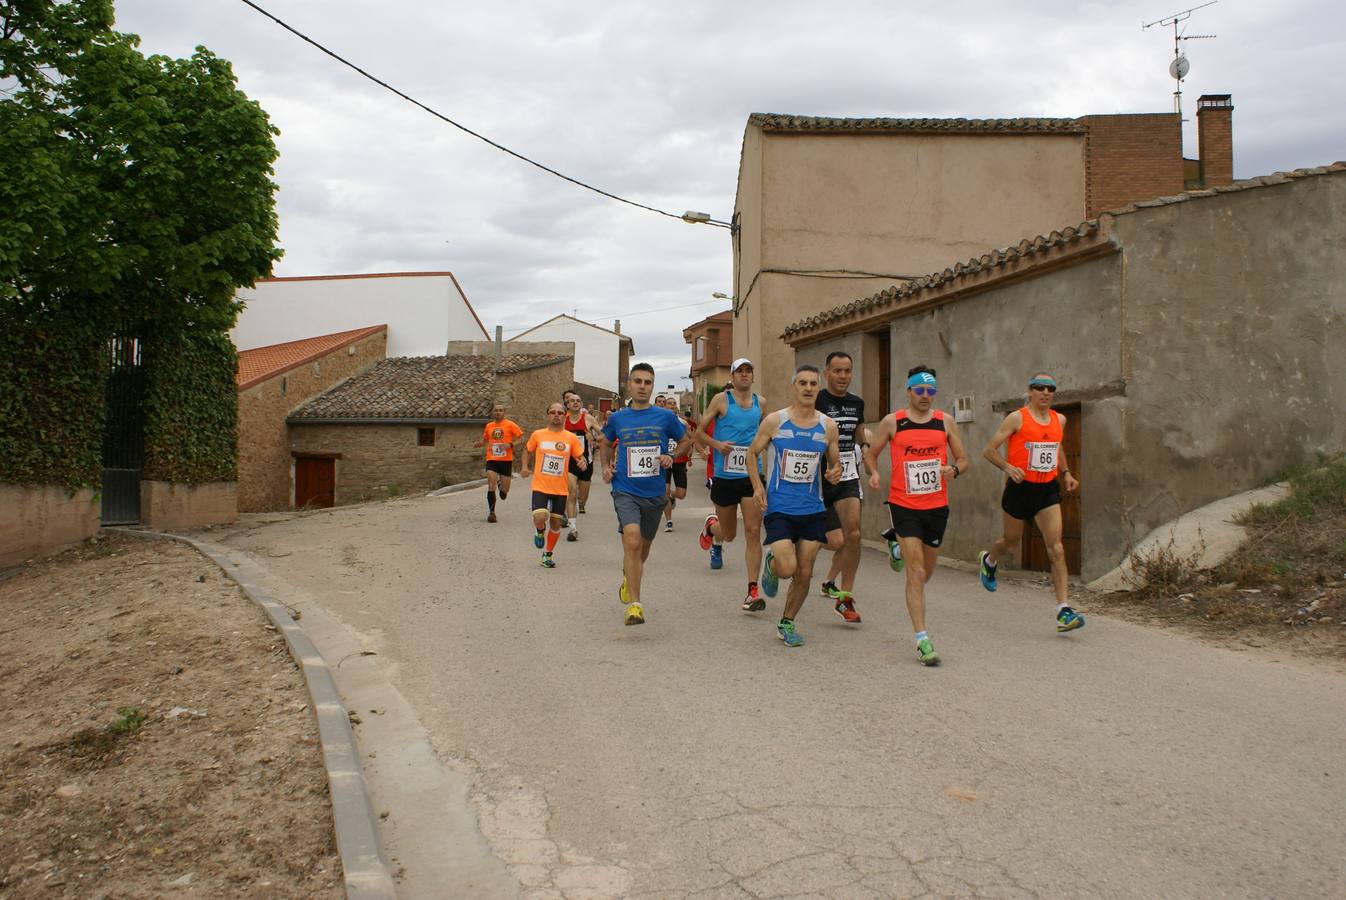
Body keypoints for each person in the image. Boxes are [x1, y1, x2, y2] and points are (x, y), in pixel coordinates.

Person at [865, 366, 970, 666]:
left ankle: (894, 546)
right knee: (917, 573)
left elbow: (964, 459)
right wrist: (874, 472)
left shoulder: (945, 422)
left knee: (927, 573)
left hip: (937, 507)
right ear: (909, 391)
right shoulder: (893, 422)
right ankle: (923, 640)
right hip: (904, 505)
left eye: (931, 390)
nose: (925, 396)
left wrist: (955, 470)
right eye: (920, 390)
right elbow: (871, 452)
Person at [977, 372, 1085, 633]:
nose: (1045, 393)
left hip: (1047, 490)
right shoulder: (1017, 418)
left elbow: (1057, 447)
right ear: (1030, 391)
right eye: (1039, 388)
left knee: (1056, 548)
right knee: (1011, 542)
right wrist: (1008, 467)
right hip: (1020, 489)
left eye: (1050, 389)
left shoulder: (1060, 419)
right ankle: (989, 560)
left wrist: (1067, 473)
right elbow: (989, 450)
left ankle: (1063, 611)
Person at [746, 364, 842, 647]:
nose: (809, 388)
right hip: (779, 506)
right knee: (788, 568)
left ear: (818, 388)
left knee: (805, 571)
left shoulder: (828, 426)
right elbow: (752, 453)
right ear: (794, 387)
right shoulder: (776, 421)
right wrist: (757, 485)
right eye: (803, 383)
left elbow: (834, 461)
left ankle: (787, 621)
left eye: (813, 384)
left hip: (813, 508)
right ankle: (773, 563)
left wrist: (834, 471)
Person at [600, 364, 690, 626]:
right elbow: (605, 442)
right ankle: (635, 606)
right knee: (632, 540)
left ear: (652, 386)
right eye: (637, 381)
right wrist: (606, 467)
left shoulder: (665, 417)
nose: (642, 386)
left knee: (643, 548)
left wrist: (671, 456)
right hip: (625, 489)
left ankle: (630, 575)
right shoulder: (618, 418)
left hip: (654, 493)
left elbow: (686, 440)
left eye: (647, 382)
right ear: (629, 385)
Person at [696, 359, 767, 611]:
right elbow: (699, 433)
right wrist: (716, 445)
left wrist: (764, 445)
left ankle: (752, 591)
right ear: (733, 376)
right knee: (729, 534)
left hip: (751, 476)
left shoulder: (762, 403)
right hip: (725, 476)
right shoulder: (721, 401)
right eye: (740, 371)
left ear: (753, 376)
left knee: (753, 531)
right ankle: (711, 529)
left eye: (749, 370)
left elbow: (766, 433)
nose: (745, 375)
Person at [814, 351, 873, 624]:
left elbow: (859, 431)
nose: (843, 376)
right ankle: (782, 555)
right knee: (831, 540)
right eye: (837, 371)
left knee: (853, 534)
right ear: (827, 373)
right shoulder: (817, 400)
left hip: (848, 475)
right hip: (817, 478)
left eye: (847, 371)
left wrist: (867, 448)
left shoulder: (856, 403)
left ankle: (844, 597)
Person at [519, 402, 587, 567]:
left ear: (565, 416)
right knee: (540, 516)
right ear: (548, 415)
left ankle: (547, 555)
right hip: (541, 485)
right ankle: (540, 529)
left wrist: (582, 462)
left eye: (560, 413)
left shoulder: (570, 438)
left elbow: (580, 456)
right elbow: (526, 450)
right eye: (552, 412)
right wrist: (525, 467)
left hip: (560, 488)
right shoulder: (538, 434)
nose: (556, 415)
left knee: (556, 523)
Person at [562, 389, 602, 541]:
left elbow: (603, 436)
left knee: (582, 497)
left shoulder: (589, 419)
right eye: (572, 401)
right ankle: (573, 529)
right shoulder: (563, 420)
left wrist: (593, 438)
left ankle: (581, 503)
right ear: (567, 404)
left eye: (578, 401)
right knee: (571, 492)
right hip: (569, 461)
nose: (575, 403)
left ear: (581, 404)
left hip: (587, 461)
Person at [473, 403, 523, 523]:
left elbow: (521, 439)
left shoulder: (510, 425)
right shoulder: (489, 426)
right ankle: (492, 513)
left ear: (504, 412)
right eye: (496, 410)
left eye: (500, 410)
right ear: (493, 412)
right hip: (492, 459)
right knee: (491, 484)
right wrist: (479, 444)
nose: (498, 412)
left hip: (506, 460)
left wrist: (510, 444)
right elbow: (485, 440)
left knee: (504, 493)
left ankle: (502, 487)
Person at [662, 404, 696, 532]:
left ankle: (672, 496)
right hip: (664, 460)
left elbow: (692, 437)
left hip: (679, 460)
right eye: (668, 404)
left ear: (676, 408)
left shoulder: (683, 422)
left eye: (673, 403)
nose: (671, 405)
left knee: (681, 494)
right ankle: (669, 521)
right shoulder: (660, 422)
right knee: (664, 491)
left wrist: (689, 451)